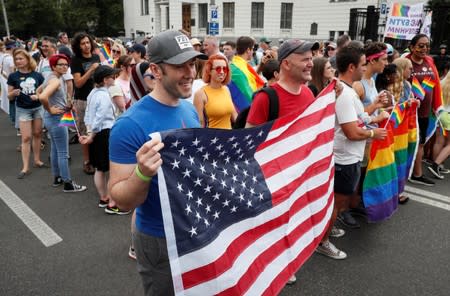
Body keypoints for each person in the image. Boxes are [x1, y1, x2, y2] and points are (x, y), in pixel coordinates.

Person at [108, 30, 207, 295]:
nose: (190, 73)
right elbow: (120, 198)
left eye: (192, 64)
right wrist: (142, 173)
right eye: (179, 66)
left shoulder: (187, 108)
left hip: (194, 227)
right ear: (156, 70)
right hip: (159, 238)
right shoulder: (129, 125)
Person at [245, 39, 320, 285]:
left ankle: (285, 259)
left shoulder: (309, 93)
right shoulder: (266, 98)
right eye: (305, 59)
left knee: (292, 219)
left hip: (298, 176)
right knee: (271, 225)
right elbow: (249, 141)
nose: (311, 63)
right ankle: (269, 265)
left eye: (311, 58)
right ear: (286, 64)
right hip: (271, 179)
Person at [316, 42, 387, 260]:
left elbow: (358, 118)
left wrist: (373, 110)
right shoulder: (346, 94)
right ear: (351, 67)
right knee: (338, 203)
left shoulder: (347, 91)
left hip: (347, 157)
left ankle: (326, 231)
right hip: (344, 159)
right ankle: (323, 242)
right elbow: (351, 132)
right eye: (363, 65)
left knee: (339, 202)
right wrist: (374, 134)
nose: (366, 69)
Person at [32, 54, 87, 192]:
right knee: (63, 152)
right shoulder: (55, 81)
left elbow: (38, 91)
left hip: (52, 119)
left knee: (55, 149)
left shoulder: (52, 77)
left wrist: (55, 104)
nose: (64, 67)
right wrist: (49, 108)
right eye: (60, 64)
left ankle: (57, 178)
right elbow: (43, 96)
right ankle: (68, 183)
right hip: (56, 118)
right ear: (53, 66)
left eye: (66, 64)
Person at [405, 34, 444, 186]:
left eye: (427, 45)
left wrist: (436, 105)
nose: (424, 48)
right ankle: (410, 174)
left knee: (420, 143)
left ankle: (416, 173)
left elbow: (435, 86)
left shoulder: (429, 62)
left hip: (424, 113)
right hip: (409, 113)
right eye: (421, 45)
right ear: (412, 47)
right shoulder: (405, 62)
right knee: (408, 143)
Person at [7, 49, 46, 178]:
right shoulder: (13, 77)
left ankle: (37, 160)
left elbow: (43, 92)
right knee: (25, 138)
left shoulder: (38, 75)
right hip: (23, 109)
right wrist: (13, 93)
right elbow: (9, 96)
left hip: (37, 108)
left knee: (37, 134)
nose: (18, 61)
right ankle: (25, 167)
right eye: (16, 59)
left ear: (27, 59)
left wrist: (38, 95)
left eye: (20, 58)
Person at [71, 32, 101, 175]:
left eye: (88, 42)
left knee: (97, 130)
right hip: (83, 100)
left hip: (97, 99)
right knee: (84, 131)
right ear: (78, 46)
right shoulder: (76, 60)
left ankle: (96, 159)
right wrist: (91, 70)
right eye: (83, 43)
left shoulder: (96, 57)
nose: (86, 45)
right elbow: (78, 83)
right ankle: (87, 161)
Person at [193, 54, 236, 128]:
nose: (222, 72)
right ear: (209, 71)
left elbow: (234, 117)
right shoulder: (200, 94)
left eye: (225, 69)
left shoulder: (226, 89)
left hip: (229, 137)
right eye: (218, 69)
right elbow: (199, 125)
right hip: (211, 138)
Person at [428, 71, 450, 178]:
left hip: (440, 114)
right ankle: (436, 165)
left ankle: (437, 164)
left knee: (438, 141)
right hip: (449, 116)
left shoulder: (442, 82)